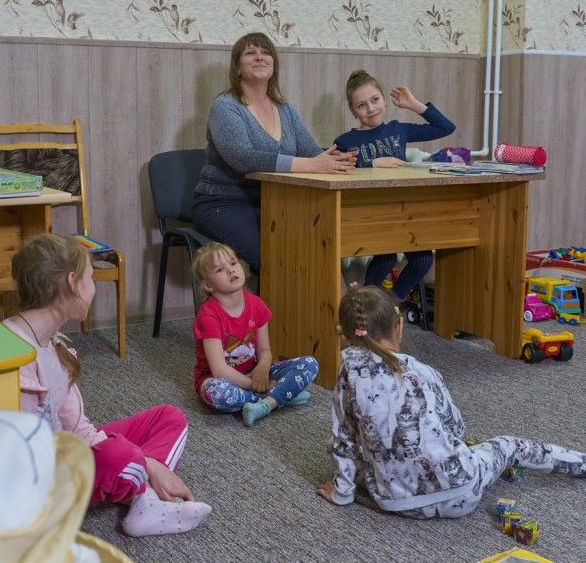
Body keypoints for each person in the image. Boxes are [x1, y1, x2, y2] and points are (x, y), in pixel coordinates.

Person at [317, 285, 586, 519]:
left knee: (356, 450)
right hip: (461, 494)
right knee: (510, 446)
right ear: (399, 327)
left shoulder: (347, 375)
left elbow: (343, 441)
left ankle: (372, 484)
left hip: (394, 503)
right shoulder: (423, 373)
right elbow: (457, 430)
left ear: (345, 337)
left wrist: (342, 493)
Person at [4, 233, 211, 537]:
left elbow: (76, 427)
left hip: (63, 453)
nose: (93, 288)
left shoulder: (52, 342)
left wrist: (124, 454)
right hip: (39, 484)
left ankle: (143, 498)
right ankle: (144, 493)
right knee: (119, 455)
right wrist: (147, 463)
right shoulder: (16, 354)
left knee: (169, 418)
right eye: (90, 279)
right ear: (72, 283)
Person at [192, 31, 357, 273]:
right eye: (251, 53)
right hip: (223, 203)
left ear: (273, 65)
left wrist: (334, 159)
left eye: (266, 52)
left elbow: (310, 151)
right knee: (273, 260)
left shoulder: (285, 109)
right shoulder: (225, 106)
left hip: (276, 201)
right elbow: (244, 158)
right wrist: (311, 164)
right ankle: (270, 300)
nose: (260, 57)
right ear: (237, 68)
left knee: (317, 249)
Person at [333, 70, 456, 305]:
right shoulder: (346, 141)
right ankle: (365, 304)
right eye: (361, 105)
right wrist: (371, 164)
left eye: (375, 100)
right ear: (353, 110)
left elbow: (446, 128)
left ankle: (390, 304)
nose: (371, 109)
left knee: (422, 260)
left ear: (385, 100)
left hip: (401, 212)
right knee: (386, 257)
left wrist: (415, 105)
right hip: (368, 214)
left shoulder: (398, 130)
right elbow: (333, 168)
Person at [191, 242, 318, 426]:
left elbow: (264, 351)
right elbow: (219, 370)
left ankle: (266, 405)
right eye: (220, 269)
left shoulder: (257, 304)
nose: (230, 270)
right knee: (215, 392)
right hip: (222, 380)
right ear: (208, 285)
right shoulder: (208, 316)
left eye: (233, 263)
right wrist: (257, 385)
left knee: (310, 363)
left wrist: (262, 368)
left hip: (254, 371)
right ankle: (276, 396)